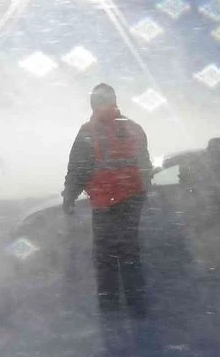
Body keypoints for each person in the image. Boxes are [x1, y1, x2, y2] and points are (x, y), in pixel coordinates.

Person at [62, 83, 153, 318]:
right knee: (130, 253)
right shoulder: (133, 128)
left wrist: (69, 196)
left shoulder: (89, 130)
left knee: (106, 256)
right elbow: (145, 167)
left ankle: (110, 306)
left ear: (93, 103)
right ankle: (137, 305)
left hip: (105, 204)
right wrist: (141, 194)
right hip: (131, 201)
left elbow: (78, 168)